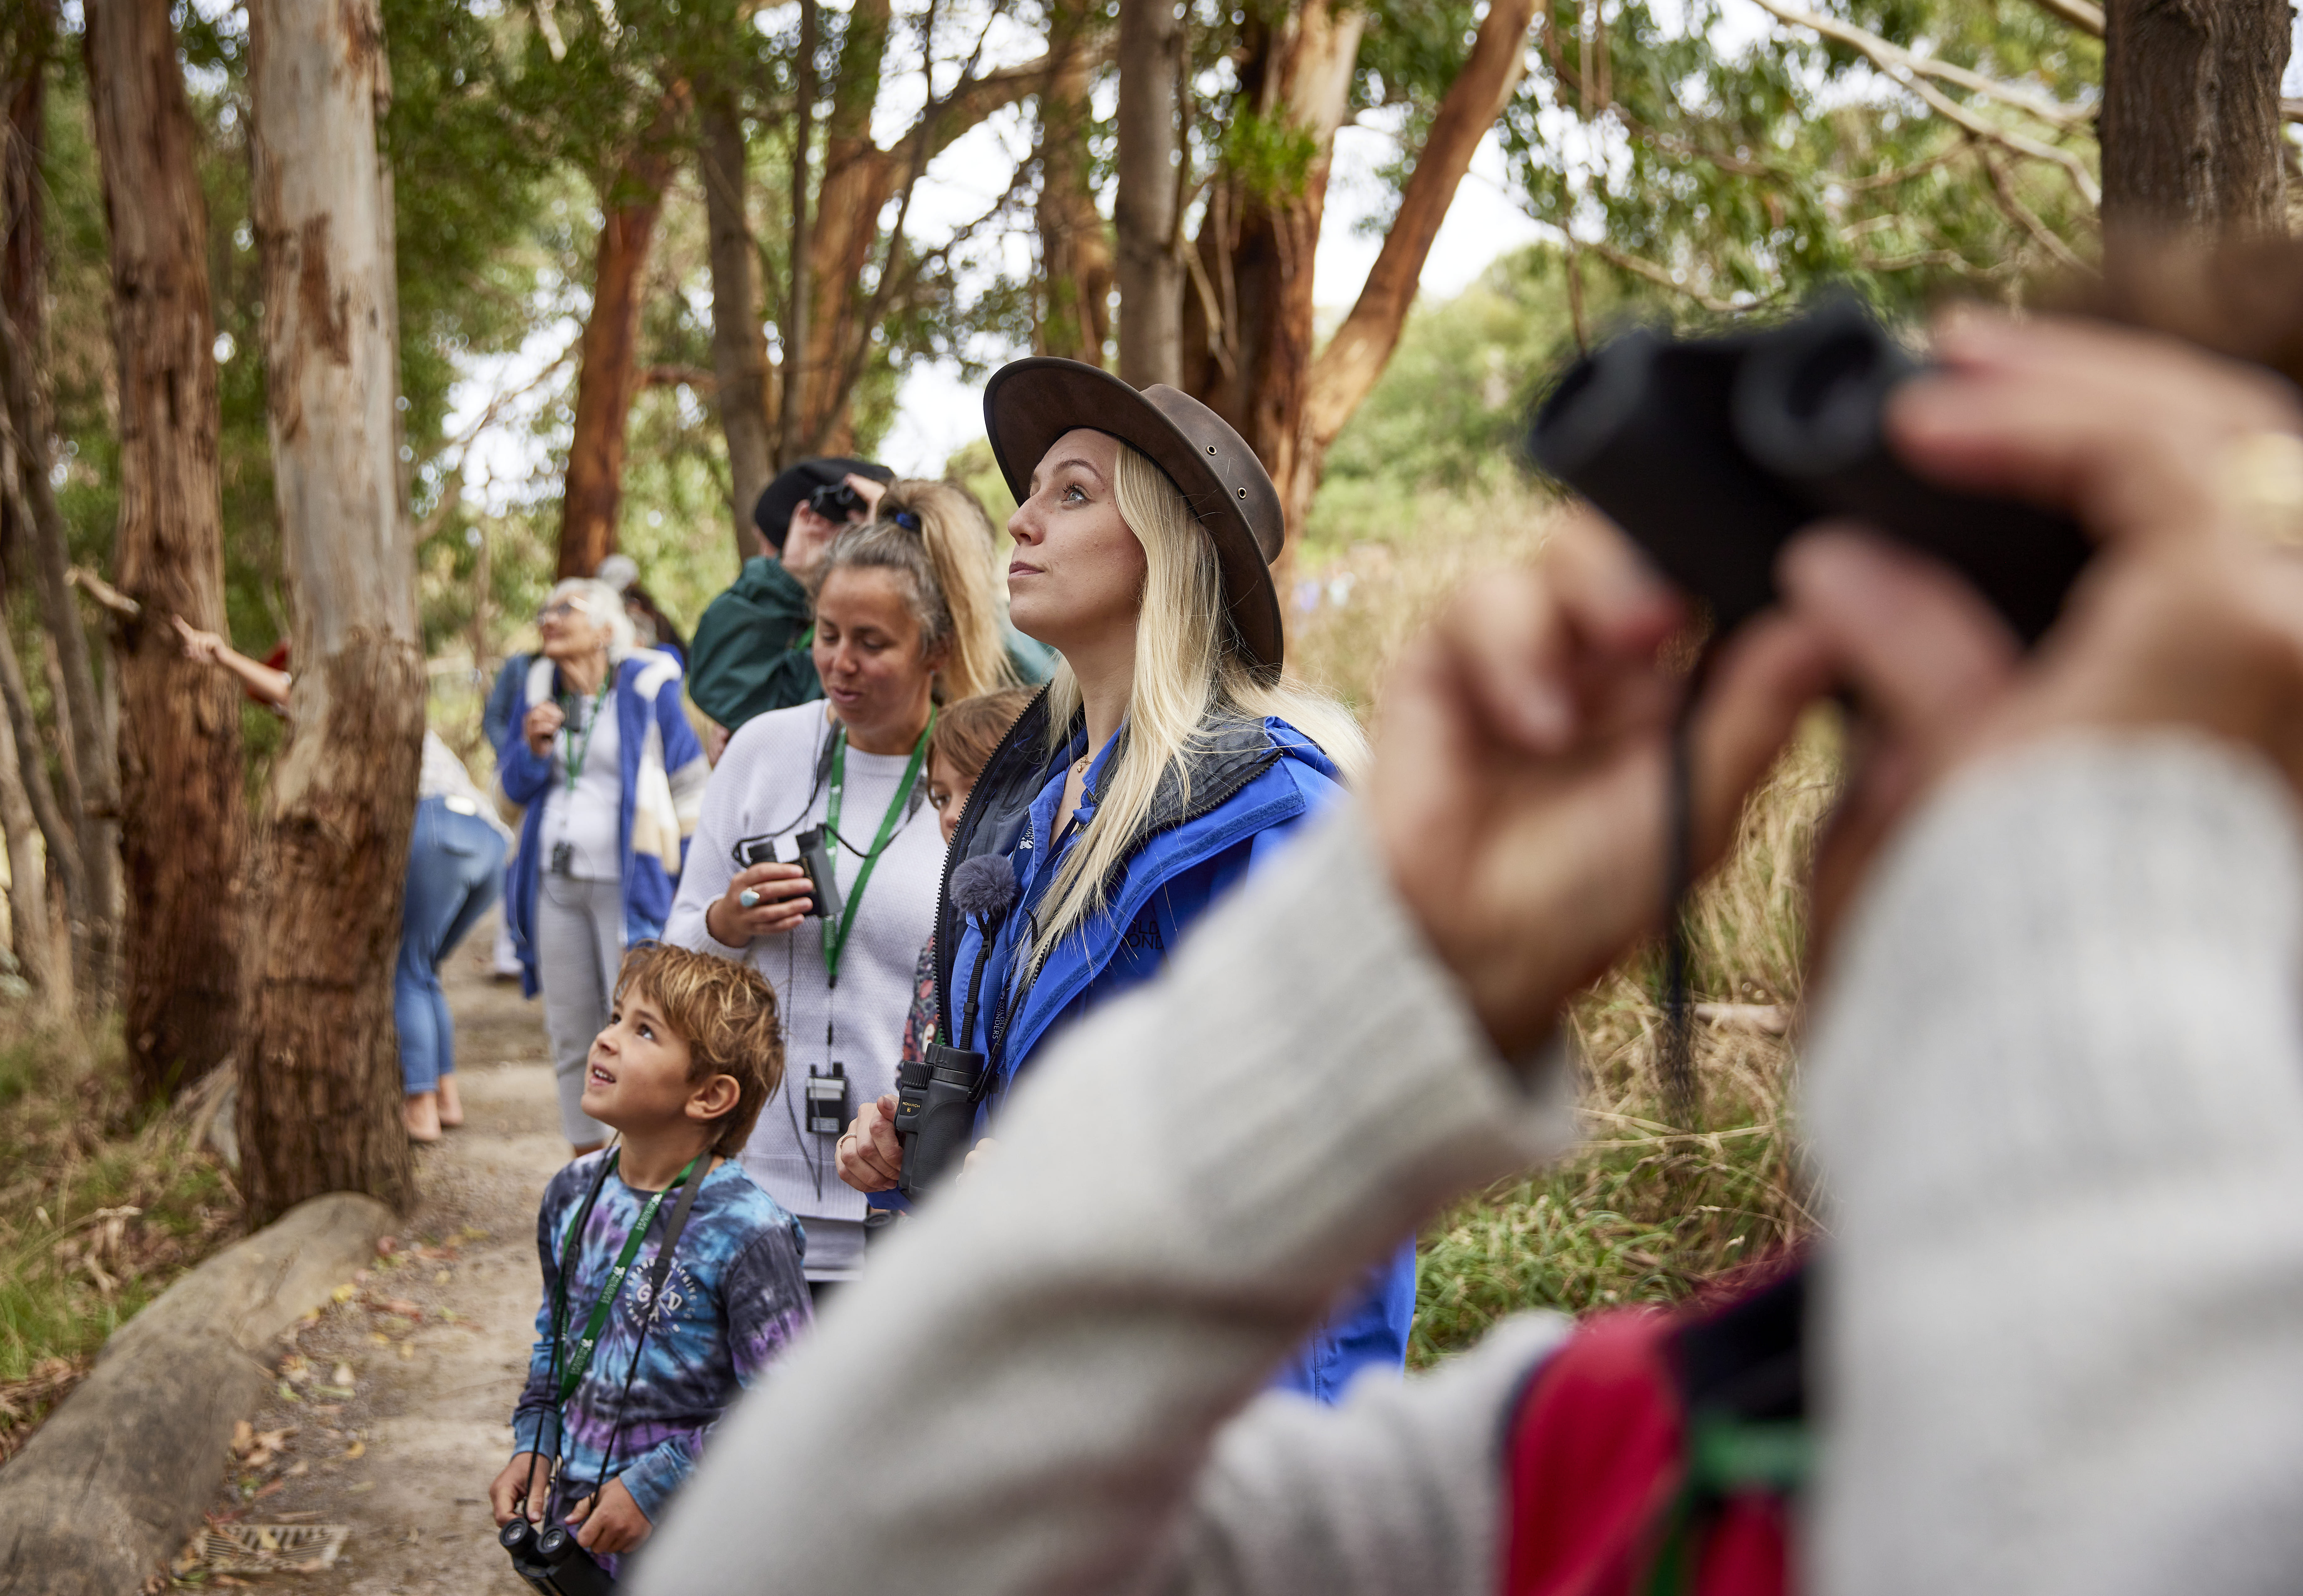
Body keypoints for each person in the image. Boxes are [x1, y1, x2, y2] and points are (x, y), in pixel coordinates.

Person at [635, 306, 2303, 1594]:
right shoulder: (1639, 1450)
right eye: (1880, 731)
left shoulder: (1264, 792)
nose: (1950, 825)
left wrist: (2090, 860)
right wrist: (1382, 976)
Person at [833, 362, 1405, 1402]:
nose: (1021, 523)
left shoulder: (1272, 804)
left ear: (1167, 547)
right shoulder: (1033, 797)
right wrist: (924, 1138)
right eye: (1032, 491)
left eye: (1075, 493)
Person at [665, 479, 1017, 1294]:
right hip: (747, 1190)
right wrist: (725, 921)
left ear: (936, 648)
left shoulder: (983, 782)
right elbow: (671, 945)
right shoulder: (761, 750)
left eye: (871, 642)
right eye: (826, 634)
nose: (840, 663)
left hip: (899, 1207)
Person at [489, 941, 811, 1578]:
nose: (606, 1039)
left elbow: (792, 1404)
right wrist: (536, 1440)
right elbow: (556, 1339)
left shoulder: (748, 1231)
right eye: (614, 1016)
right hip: (578, 1530)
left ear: (710, 1095)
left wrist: (657, 1486)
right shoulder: (572, 1193)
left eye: (644, 1030)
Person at [170, 616, 504, 1142]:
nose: (281, 707)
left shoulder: (339, 700)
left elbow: (290, 688)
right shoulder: (386, 710)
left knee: (402, 966)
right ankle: (445, 1096)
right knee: (422, 967)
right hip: (486, 839)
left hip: (436, 827)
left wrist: (222, 657)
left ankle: (418, 1109)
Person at [500, 578, 709, 1151]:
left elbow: (691, 788)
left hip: (630, 887)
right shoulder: (538, 687)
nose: (550, 617)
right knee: (571, 1034)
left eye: (567, 608)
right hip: (554, 882)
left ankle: (639, 1164)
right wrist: (533, 746)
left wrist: (690, 883)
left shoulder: (646, 686)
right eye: (544, 608)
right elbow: (512, 788)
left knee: (639, 1032)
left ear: (606, 628)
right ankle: (583, 1168)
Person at [687, 457, 898, 737]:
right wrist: (790, 576)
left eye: (770, 545)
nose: (764, 561)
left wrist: (877, 567)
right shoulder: (810, 655)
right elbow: (728, 693)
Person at [902, 686, 1035, 1062]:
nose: (949, 814)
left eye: (976, 789)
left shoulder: (1037, 926)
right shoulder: (945, 933)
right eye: (942, 797)